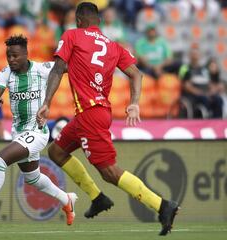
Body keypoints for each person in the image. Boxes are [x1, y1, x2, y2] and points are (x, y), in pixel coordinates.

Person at [36, 2, 179, 235]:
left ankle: (162, 205)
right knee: (57, 152)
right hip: (94, 113)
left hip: (90, 114)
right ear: (99, 22)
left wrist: (46, 103)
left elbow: (58, 68)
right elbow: (137, 74)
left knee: (110, 172)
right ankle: (98, 198)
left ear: (79, 20)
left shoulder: (72, 35)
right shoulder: (114, 46)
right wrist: (133, 103)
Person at [0, 35, 78, 225]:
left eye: (15, 55)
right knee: (33, 178)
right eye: (9, 56)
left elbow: (66, 67)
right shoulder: (6, 73)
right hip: (20, 133)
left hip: (37, 131)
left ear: (25, 54)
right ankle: (67, 200)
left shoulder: (41, 69)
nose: (11, 59)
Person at [180, 48, 223, 118]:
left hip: (206, 93)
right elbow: (187, 86)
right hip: (193, 96)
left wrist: (213, 90)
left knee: (218, 99)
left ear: (200, 55)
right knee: (204, 99)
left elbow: (209, 83)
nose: (195, 56)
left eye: (197, 54)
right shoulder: (186, 68)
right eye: (193, 54)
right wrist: (201, 93)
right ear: (189, 56)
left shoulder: (204, 69)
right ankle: (206, 120)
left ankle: (218, 121)